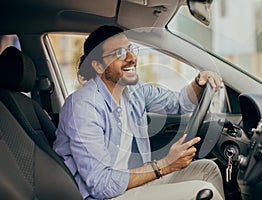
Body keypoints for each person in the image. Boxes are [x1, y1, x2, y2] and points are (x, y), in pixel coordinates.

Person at [53, 25, 225, 200]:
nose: (131, 58)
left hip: (131, 185)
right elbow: (101, 184)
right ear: (98, 66)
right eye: (119, 53)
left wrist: (199, 82)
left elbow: (179, 103)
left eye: (130, 49)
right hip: (105, 196)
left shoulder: (134, 91)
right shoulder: (83, 106)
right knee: (202, 191)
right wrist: (165, 165)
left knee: (207, 170)